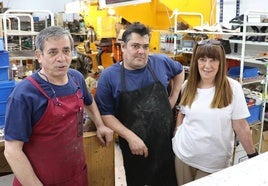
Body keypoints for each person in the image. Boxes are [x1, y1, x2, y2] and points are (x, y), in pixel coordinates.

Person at [4, 26, 114, 186]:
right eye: (53, 52)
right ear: (39, 56)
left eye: (66, 51)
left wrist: (100, 125)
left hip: (76, 174)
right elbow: (12, 151)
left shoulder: (76, 78)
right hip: (40, 180)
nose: (61, 58)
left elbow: (89, 102)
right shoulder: (25, 94)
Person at [95, 22, 185, 186]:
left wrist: (174, 95)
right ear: (123, 46)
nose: (141, 51)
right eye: (135, 46)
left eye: (145, 46)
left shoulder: (161, 62)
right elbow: (106, 114)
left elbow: (179, 71)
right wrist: (130, 137)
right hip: (135, 149)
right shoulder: (109, 77)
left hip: (166, 143)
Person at [172, 39, 258, 185]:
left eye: (213, 60)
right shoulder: (188, 85)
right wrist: (177, 133)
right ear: (196, 61)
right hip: (183, 156)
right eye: (202, 59)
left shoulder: (232, 88)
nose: (207, 65)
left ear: (221, 63)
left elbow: (240, 125)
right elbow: (182, 112)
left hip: (213, 163)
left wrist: (253, 155)